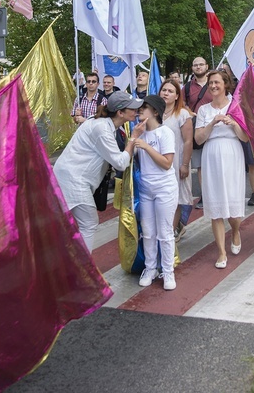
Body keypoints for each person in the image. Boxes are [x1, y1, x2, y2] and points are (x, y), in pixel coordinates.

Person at [54, 91, 145, 252]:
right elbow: (120, 163)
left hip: (70, 176)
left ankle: (69, 264)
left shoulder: (103, 123)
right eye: (133, 108)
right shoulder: (102, 128)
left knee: (68, 224)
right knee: (88, 223)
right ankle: (83, 270)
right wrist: (133, 138)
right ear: (120, 112)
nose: (136, 111)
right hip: (74, 179)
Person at [194, 70, 248, 269]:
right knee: (216, 208)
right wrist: (212, 122)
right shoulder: (203, 110)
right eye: (210, 83)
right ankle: (221, 252)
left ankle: (235, 231)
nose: (213, 86)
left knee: (233, 209)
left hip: (232, 152)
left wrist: (233, 122)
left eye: (217, 82)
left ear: (225, 84)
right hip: (211, 155)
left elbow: (245, 137)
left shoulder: (236, 105)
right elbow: (198, 139)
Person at [134, 95, 177, 291]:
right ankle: (150, 268)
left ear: (155, 112)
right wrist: (135, 137)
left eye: (144, 107)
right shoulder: (140, 134)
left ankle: (168, 271)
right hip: (145, 189)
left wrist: (146, 147)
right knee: (148, 232)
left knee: (165, 232)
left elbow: (167, 164)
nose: (140, 110)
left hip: (164, 188)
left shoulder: (165, 132)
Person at [158, 80, 193, 241]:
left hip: (177, 161)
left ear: (177, 95)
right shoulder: (155, 113)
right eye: (163, 90)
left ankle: (171, 230)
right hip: (158, 162)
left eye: (170, 91)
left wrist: (185, 164)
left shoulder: (182, 114)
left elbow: (187, 141)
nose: (165, 93)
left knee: (175, 197)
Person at [184, 57, 213, 209]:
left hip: (216, 128)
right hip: (198, 129)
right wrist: (190, 112)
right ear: (192, 68)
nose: (198, 67)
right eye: (195, 65)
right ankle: (204, 195)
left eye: (201, 64)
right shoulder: (188, 87)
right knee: (201, 165)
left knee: (215, 163)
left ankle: (216, 194)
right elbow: (181, 105)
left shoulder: (214, 83)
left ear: (206, 66)